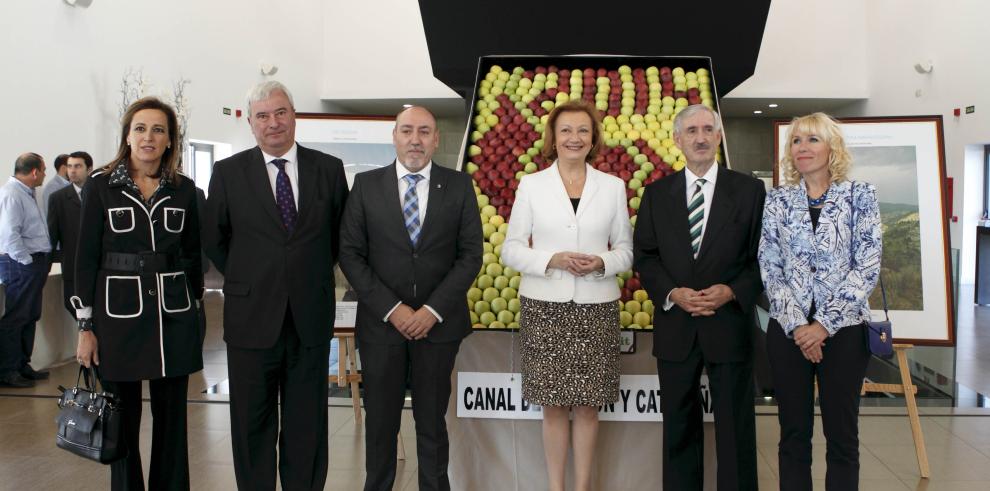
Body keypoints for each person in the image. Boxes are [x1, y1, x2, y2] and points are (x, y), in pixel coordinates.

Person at [203, 81, 348, 491]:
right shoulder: (228, 172)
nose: (273, 123)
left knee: (307, 424)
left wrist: (302, 272)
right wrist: (253, 275)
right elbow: (215, 238)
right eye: (262, 116)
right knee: (252, 424)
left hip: (310, 318)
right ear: (250, 123)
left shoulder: (329, 169)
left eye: (280, 112)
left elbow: (340, 237)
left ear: (294, 115)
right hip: (251, 318)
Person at [338, 105, 482, 491]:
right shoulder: (366, 187)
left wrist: (432, 311)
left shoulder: (459, 186)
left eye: (423, 131)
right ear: (395, 137)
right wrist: (393, 309)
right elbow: (350, 254)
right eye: (407, 131)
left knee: (432, 423)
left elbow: (471, 255)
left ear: (436, 139)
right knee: (381, 424)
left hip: (438, 327)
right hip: (381, 327)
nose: (415, 139)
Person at [500, 100, 633, 491]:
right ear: (553, 139)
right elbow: (510, 249)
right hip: (544, 306)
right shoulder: (532, 184)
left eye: (582, 131)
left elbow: (626, 250)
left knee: (590, 406)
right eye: (566, 131)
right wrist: (552, 258)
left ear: (593, 139)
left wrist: (601, 262)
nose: (574, 138)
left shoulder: (612, 187)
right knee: (553, 406)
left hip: (596, 307)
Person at [73, 97, 204, 490]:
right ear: (128, 136)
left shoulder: (184, 189)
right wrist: (85, 326)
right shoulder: (100, 187)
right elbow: (85, 259)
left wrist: (195, 310)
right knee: (122, 422)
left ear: (170, 141)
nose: (149, 137)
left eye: (158, 130)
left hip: (173, 318)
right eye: (141, 129)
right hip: (118, 320)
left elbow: (193, 253)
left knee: (173, 423)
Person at [633, 104, 765, 491]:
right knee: (677, 428)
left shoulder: (749, 191)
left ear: (719, 136)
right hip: (677, 327)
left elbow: (764, 260)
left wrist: (732, 291)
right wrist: (672, 292)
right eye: (692, 131)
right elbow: (646, 256)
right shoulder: (656, 194)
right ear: (677, 140)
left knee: (735, 430)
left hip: (729, 326)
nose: (701, 137)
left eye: (708, 129)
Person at [758, 112, 882, 490]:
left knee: (841, 435)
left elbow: (868, 264)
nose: (803, 148)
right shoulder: (778, 201)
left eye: (813, 139)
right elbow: (769, 264)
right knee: (793, 434)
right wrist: (799, 326)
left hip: (843, 332)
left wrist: (822, 326)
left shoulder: (860, 195)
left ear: (832, 148)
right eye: (796, 141)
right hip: (788, 332)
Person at [0, 152, 51, 388]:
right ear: (34, 172)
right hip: (20, 264)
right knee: (17, 317)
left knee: (30, 315)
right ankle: (8, 370)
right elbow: (10, 235)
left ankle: (22, 364)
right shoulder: (12, 194)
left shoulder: (27, 193)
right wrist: (26, 262)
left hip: (32, 263)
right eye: (43, 170)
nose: (44, 175)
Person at [48, 150, 93, 316]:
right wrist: (46, 267)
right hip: (72, 267)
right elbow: (52, 236)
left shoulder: (101, 195)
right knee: (73, 306)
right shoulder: (57, 198)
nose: (72, 171)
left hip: (99, 267)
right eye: (69, 166)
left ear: (89, 169)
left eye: (78, 166)